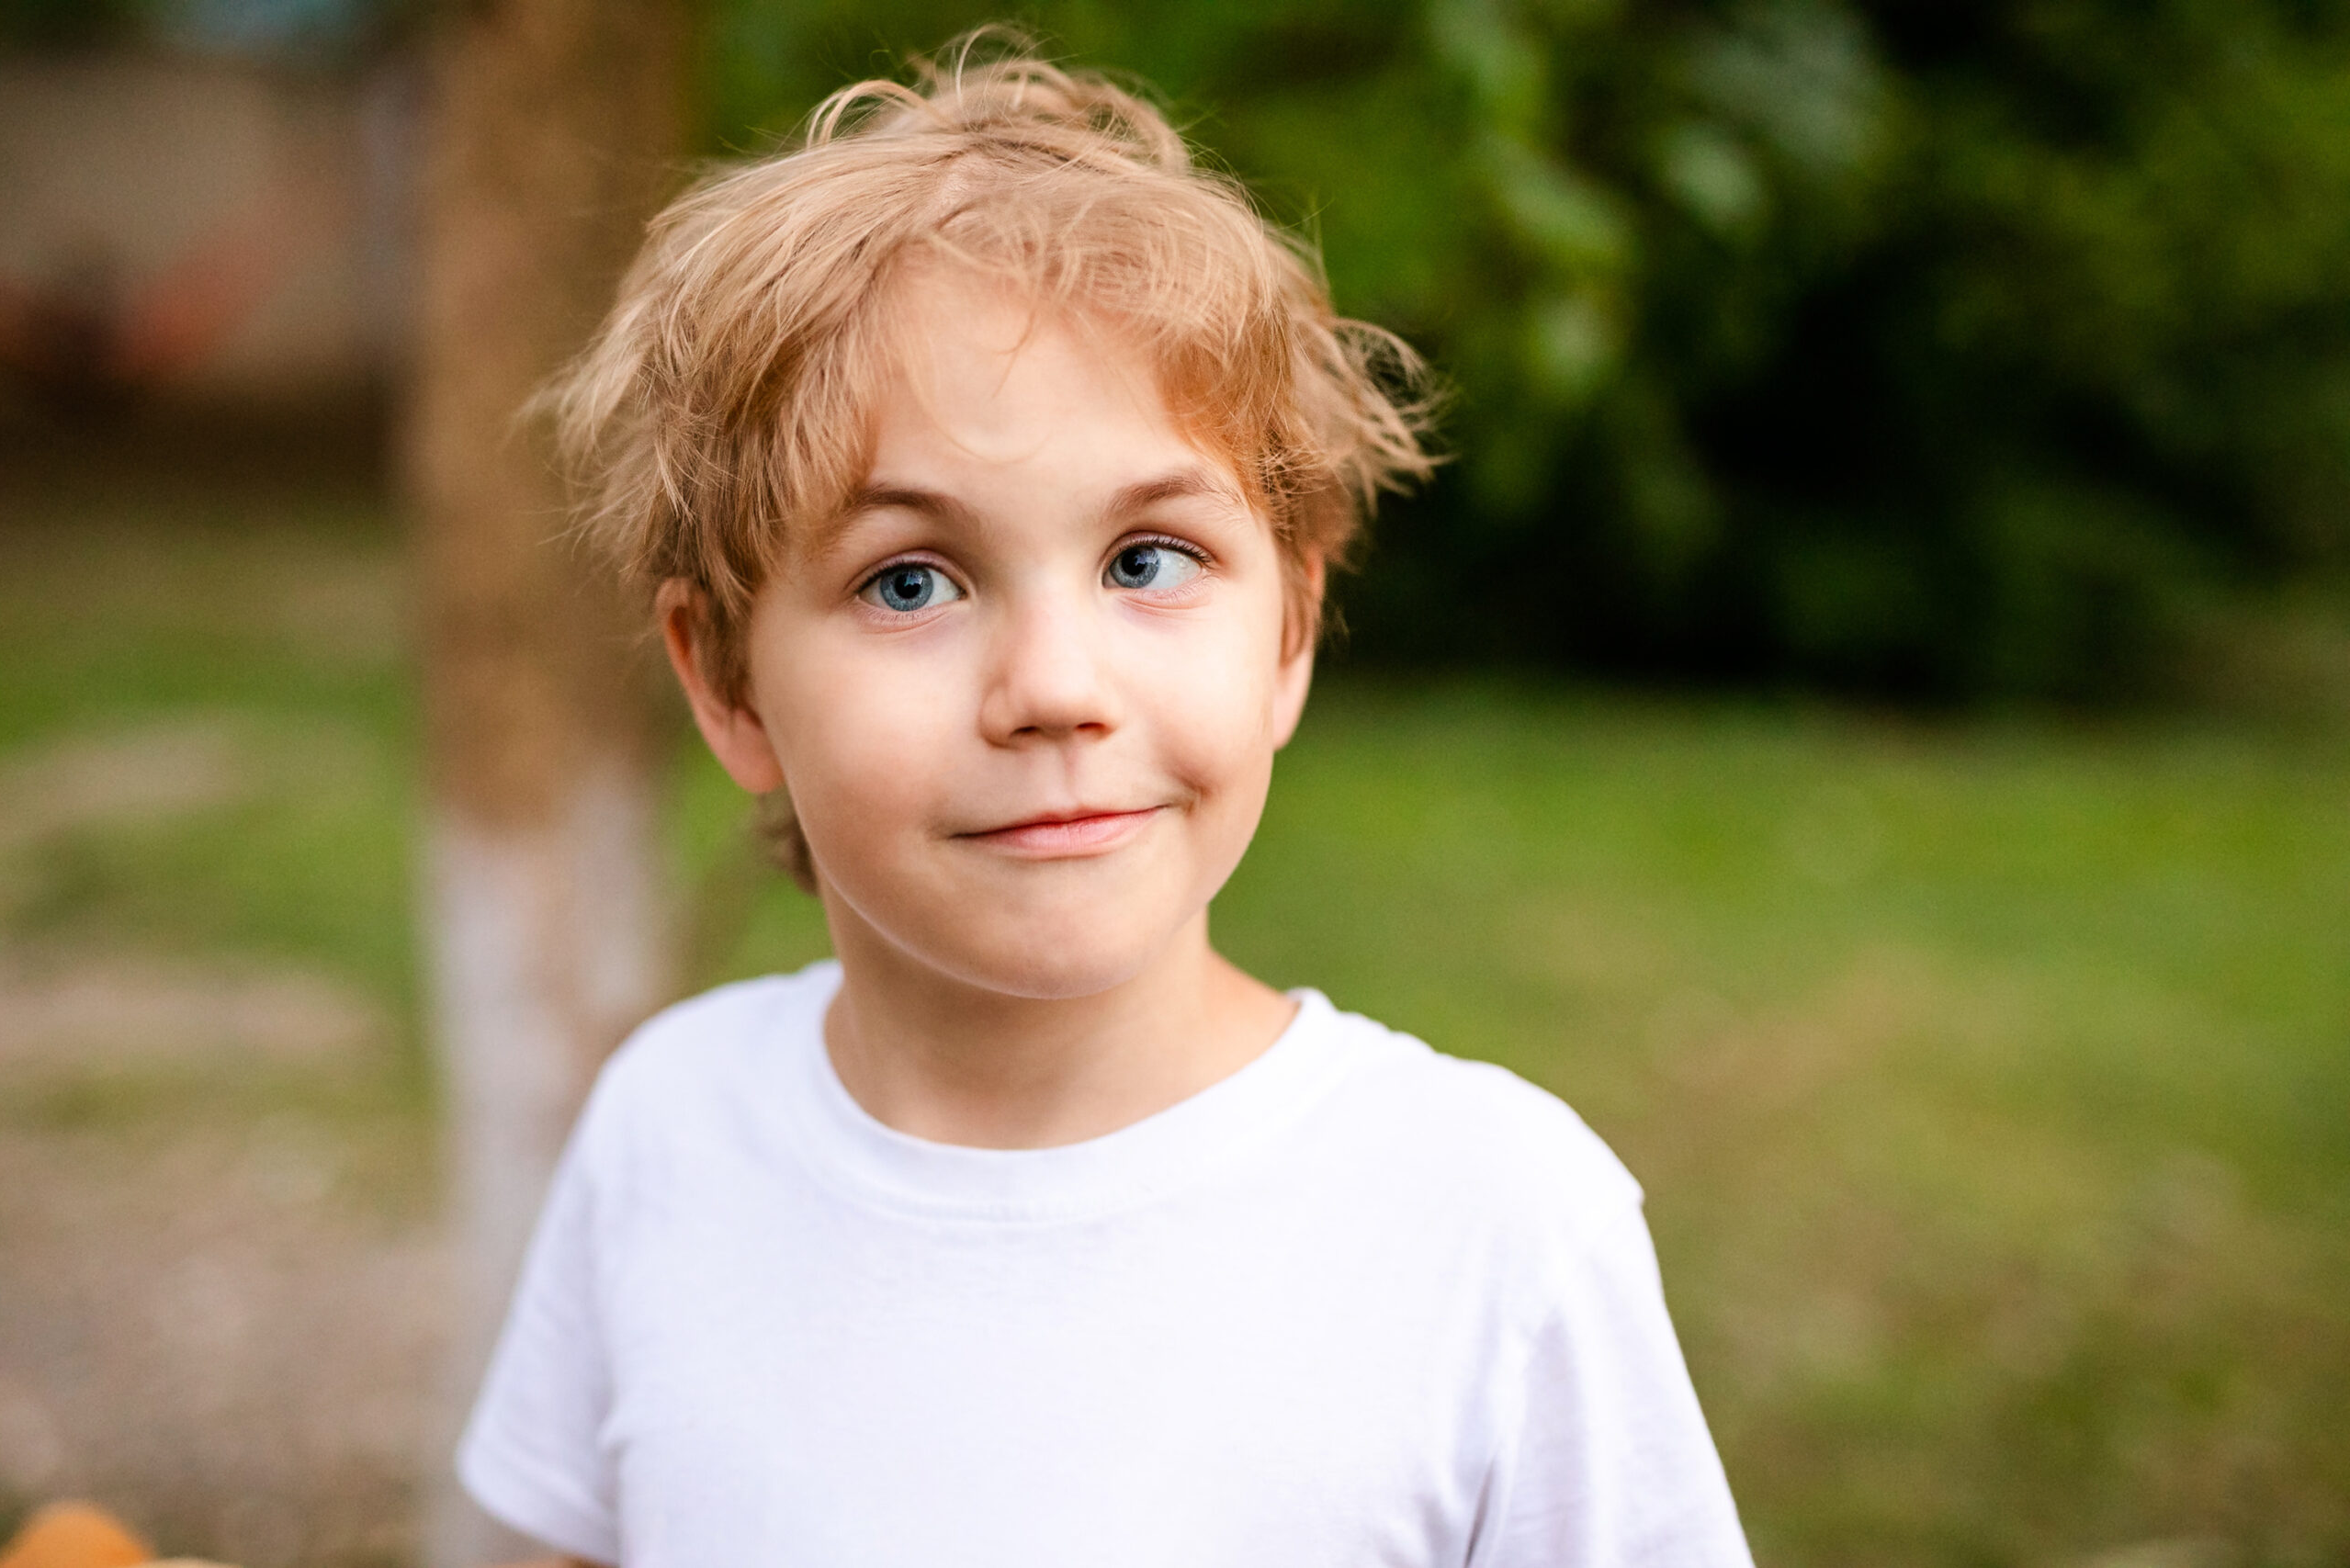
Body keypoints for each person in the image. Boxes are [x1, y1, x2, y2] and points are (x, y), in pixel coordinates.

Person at [457, 37, 1754, 1568]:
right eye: (911, 580)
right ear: (730, 688)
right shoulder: (668, 1134)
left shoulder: (1497, 1228)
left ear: (1286, 632)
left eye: (1147, 560)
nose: (1053, 687)